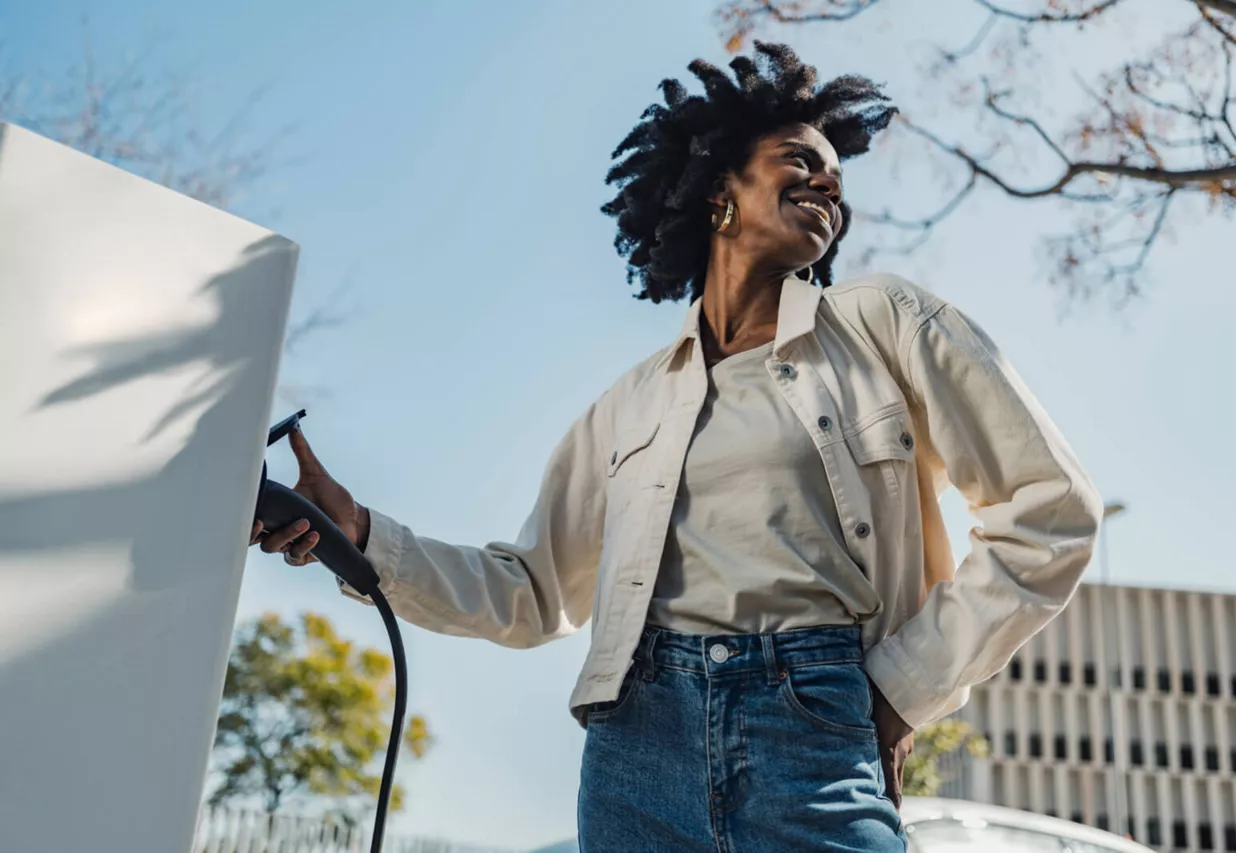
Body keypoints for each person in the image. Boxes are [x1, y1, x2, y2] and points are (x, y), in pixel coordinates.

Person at [250, 42, 1102, 852]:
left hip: (816, 724)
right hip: (638, 746)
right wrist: (359, 534)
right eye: (800, 161)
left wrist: (897, 687)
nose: (827, 187)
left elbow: (1050, 512)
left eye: (838, 183)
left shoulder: (884, 323)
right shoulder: (630, 406)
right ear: (716, 188)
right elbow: (530, 589)